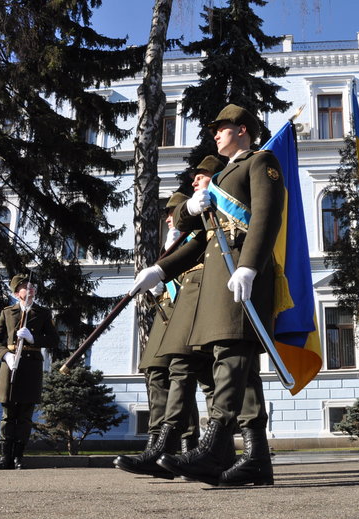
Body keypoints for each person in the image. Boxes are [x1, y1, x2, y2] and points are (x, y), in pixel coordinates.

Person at [131, 104, 284, 486]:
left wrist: (250, 265)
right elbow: (197, 234)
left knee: (232, 355)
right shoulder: (223, 176)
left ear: (244, 130)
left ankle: (215, 446)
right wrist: (161, 269)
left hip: (241, 273)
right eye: (215, 129)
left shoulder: (260, 162)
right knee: (238, 364)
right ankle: (256, 460)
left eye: (224, 128)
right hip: (219, 277)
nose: (216, 134)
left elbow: (266, 216)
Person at [114, 189, 202, 477]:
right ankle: (157, 446)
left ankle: (188, 449)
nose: (169, 218)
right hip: (165, 312)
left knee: (181, 375)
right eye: (167, 214)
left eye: (174, 212)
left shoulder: (194, 237)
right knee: (155, 373)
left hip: (185, 308)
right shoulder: (169, 243)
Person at [0, 274, 59, 470]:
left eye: (32, 286)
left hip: (31, 366)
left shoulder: (42, 313)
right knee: (8, 414)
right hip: (10, 366)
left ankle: (19, 457)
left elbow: (54, 340)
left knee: (25, 415)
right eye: (26, 287)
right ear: (17, 292)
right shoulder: (7, 313)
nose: (31, 289)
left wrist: (33, 338)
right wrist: (5, 355)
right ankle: (5, 457)